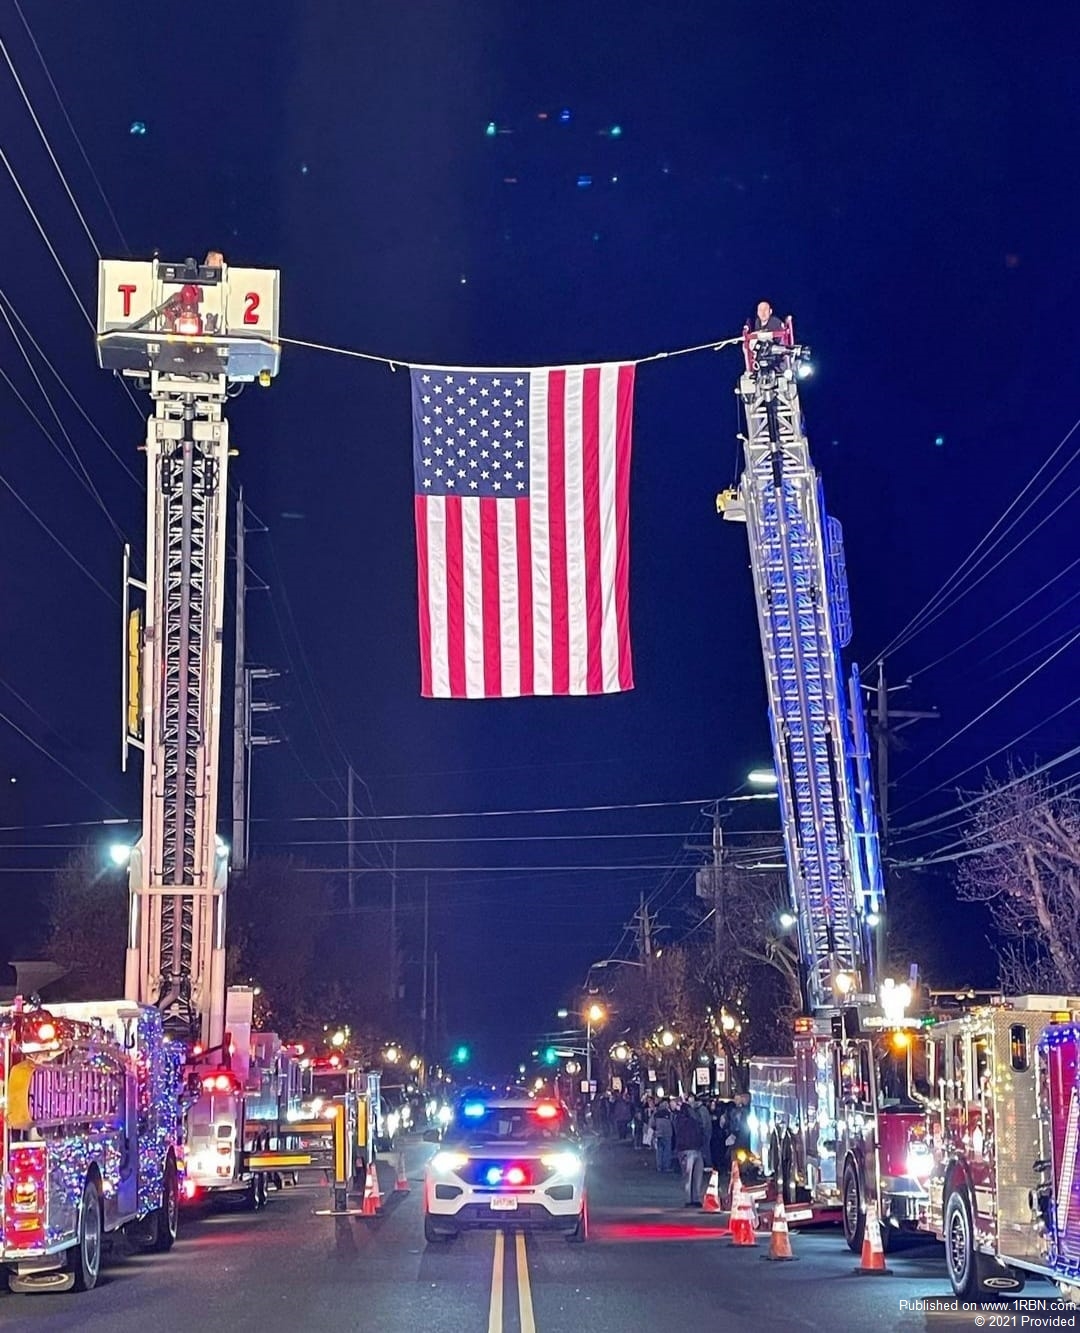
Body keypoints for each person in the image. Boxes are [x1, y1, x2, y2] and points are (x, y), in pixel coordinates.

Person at [673, 1100, 705, 1206]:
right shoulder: (692, 1121)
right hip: (693, 1149)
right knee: (696, 1176)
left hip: (687, 1150)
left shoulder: (680, 1120)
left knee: (689, 1176)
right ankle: (694, 1199)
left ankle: (690, 1199)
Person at [650, 1100, 674, 1174]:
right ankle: (666, 1166)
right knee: (667, 1150)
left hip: (659, 1134)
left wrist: (656, 1130)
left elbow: (651, 1123)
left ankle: (659, 1166)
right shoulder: (669, 1114)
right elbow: (673, 1122)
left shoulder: (656, 1114)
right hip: (667, 1134)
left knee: (659, 1151)